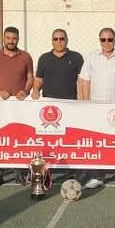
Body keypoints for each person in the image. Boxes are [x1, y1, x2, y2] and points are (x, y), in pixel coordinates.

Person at [78, 27, 115, 190]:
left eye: (110, 39)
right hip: (96, 107)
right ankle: (97, 176)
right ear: (99, 40)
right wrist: (85, 103)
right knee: (97, 143)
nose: (106, 43)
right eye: (103, 40)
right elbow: (84, 80)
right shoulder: (91, 57)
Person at [0, 26, 35, 186]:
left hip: (19, 106)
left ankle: (19, 173)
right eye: (8, 38)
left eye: (14, 38)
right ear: (3, 38)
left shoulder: (26, 57)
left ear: (18, 39)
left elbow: (30, 78)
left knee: (18, 138)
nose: (11, 41)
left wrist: (25, 91)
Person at [34, 27, 84, 182]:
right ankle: (46, 169)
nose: (59, 42)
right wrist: (35, 90)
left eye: (62, 39)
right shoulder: (44, 58)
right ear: (52, 41)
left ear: (67, 40)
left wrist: (84, 100)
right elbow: (39, 80)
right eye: (55, 39)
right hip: (49, 109)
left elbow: (82, 80)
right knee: (48, 141)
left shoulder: (76, 57)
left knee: (70, 139)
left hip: (71, 106)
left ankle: (74, 170)